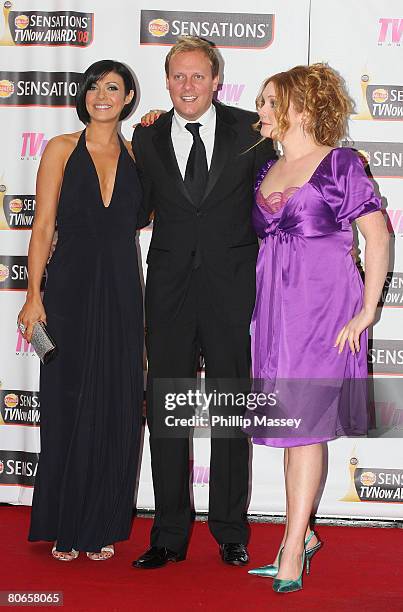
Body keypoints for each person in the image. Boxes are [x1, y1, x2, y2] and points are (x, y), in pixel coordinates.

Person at [131, 36, 276, 569]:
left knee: (230, 413)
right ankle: (168, 534)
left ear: (217, 81)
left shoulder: (252, 132)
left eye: (198, 76)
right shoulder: (144, 139)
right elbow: (137, 209)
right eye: (178, 76)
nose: (187, 86)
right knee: (167, 412)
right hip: (168, 291)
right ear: (166, 80)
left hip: (230, 291)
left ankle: (231, 530)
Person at [245, 64, 389, 592]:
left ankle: (291, 550)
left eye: (268, 101)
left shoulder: (340, 163)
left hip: (325, 308)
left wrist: (368, 309)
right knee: (291, 428)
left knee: (304, 427)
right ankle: (296, 536)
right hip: (277, 313)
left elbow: (377, 238)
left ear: (300, 107)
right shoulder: (268, 167)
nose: (259, 110)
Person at [18, 60, 147, 561]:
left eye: (112, 87)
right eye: (93, 86)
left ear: (129, 97)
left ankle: (101, 522)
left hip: (121, 290)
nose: (100, 94)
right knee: (68, 402)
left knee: (116, 403)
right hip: (69, 289)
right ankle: (66, 520)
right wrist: (34, 294)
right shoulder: (60, 149)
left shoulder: (139, 155)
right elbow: (43, 226)